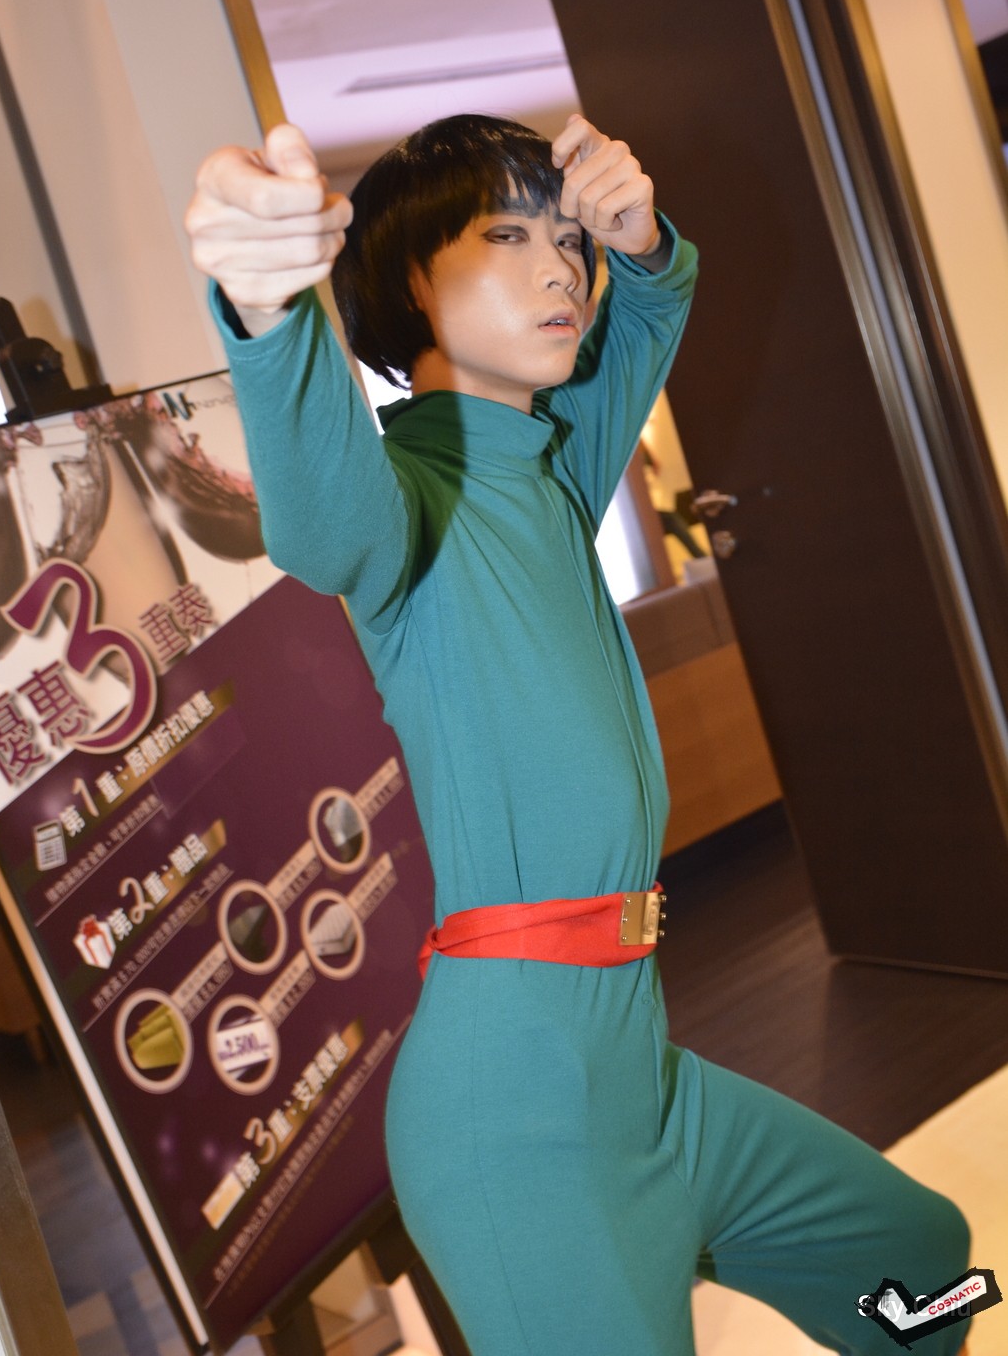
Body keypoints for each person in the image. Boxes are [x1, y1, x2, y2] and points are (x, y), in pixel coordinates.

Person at [185, 113, 971, 1356]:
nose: (559, 267)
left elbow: (648, 308)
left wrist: (639, 241)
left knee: (916, 1263)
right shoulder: (408, 502)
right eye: (506, 237)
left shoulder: (543, 470)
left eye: (565, 240)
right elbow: (322, 522)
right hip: (516, 1111)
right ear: (408, 283)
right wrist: (266, 306)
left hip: (638, 1073)